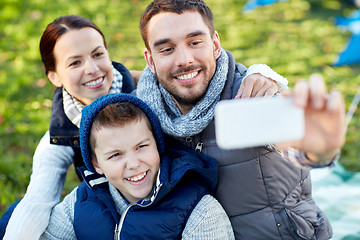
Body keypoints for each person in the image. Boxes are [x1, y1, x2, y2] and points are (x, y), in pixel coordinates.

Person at [0, 14, 286, 239]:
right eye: (75, 62)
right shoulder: (59, 135)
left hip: (169, 194)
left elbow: (194, 69)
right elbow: (38, 201)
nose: (92, 70)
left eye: (98, 55)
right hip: (110, 197)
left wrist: (262, 72)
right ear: (54, 76)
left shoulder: (145, 91)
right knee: (14, 216)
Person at [135, 0, 346, 239]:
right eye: (167, 49)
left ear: (215, 45)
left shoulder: (253, 96)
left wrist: (320, 151)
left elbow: (297, 147)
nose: (184, 59)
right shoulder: (143, 110)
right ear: (150, 60)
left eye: (195, 42)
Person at [39, 93, 235, 239]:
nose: (133, 164)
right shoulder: (78, 204)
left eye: (141, 147)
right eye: (116, 155)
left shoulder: (199, 211)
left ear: (157, 145)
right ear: (96, 164)